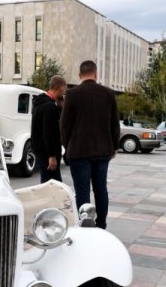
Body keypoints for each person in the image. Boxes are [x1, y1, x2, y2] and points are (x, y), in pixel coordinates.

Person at [60, 60, 119, 229]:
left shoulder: (72, 94)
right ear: (96, 74)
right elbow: (114, 124)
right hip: (102, 150)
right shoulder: (109, 94)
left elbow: (64, 125)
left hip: (79, 151)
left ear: (80, 75)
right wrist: (114, 146)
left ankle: (85, 223)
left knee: (82, 191)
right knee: (101, 189)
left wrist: (68, 145)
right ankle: (101, 224)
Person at [31, 75, 67, 183]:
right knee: (53, 184)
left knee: (48, 182)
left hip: (40, 150)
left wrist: (60, 107)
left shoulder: (40, 103)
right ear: (61, 88)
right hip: (48, 153)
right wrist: (51, 156)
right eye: (64, 89)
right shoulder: (50, 107)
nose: (64, 93)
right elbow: (48, 132)